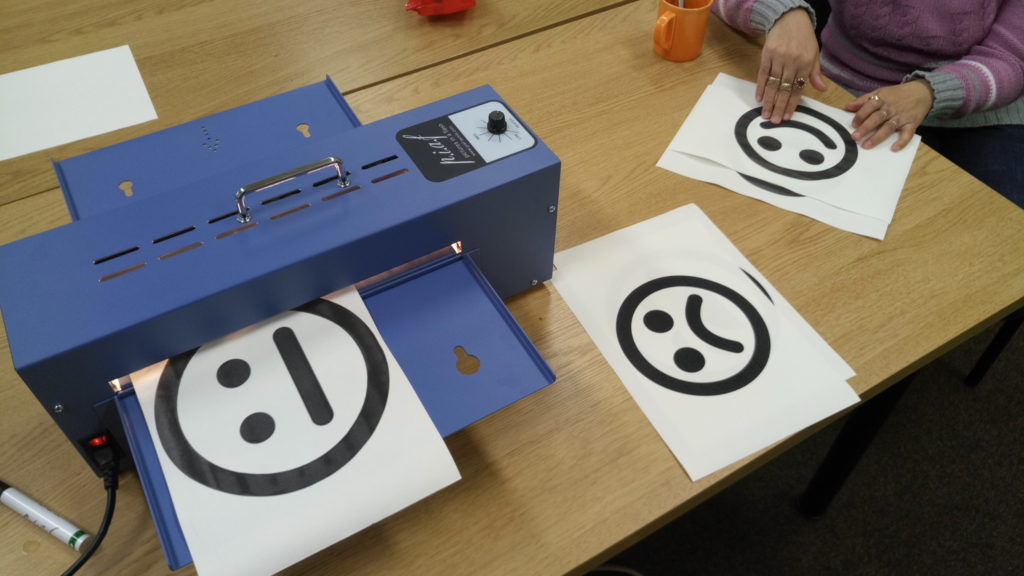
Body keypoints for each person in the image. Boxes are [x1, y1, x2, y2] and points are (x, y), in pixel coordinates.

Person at [711, 0, 1024, 208]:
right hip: (843, 89)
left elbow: (1012, 59)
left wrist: (929, 91)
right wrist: (781, 13)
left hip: (981, 112)